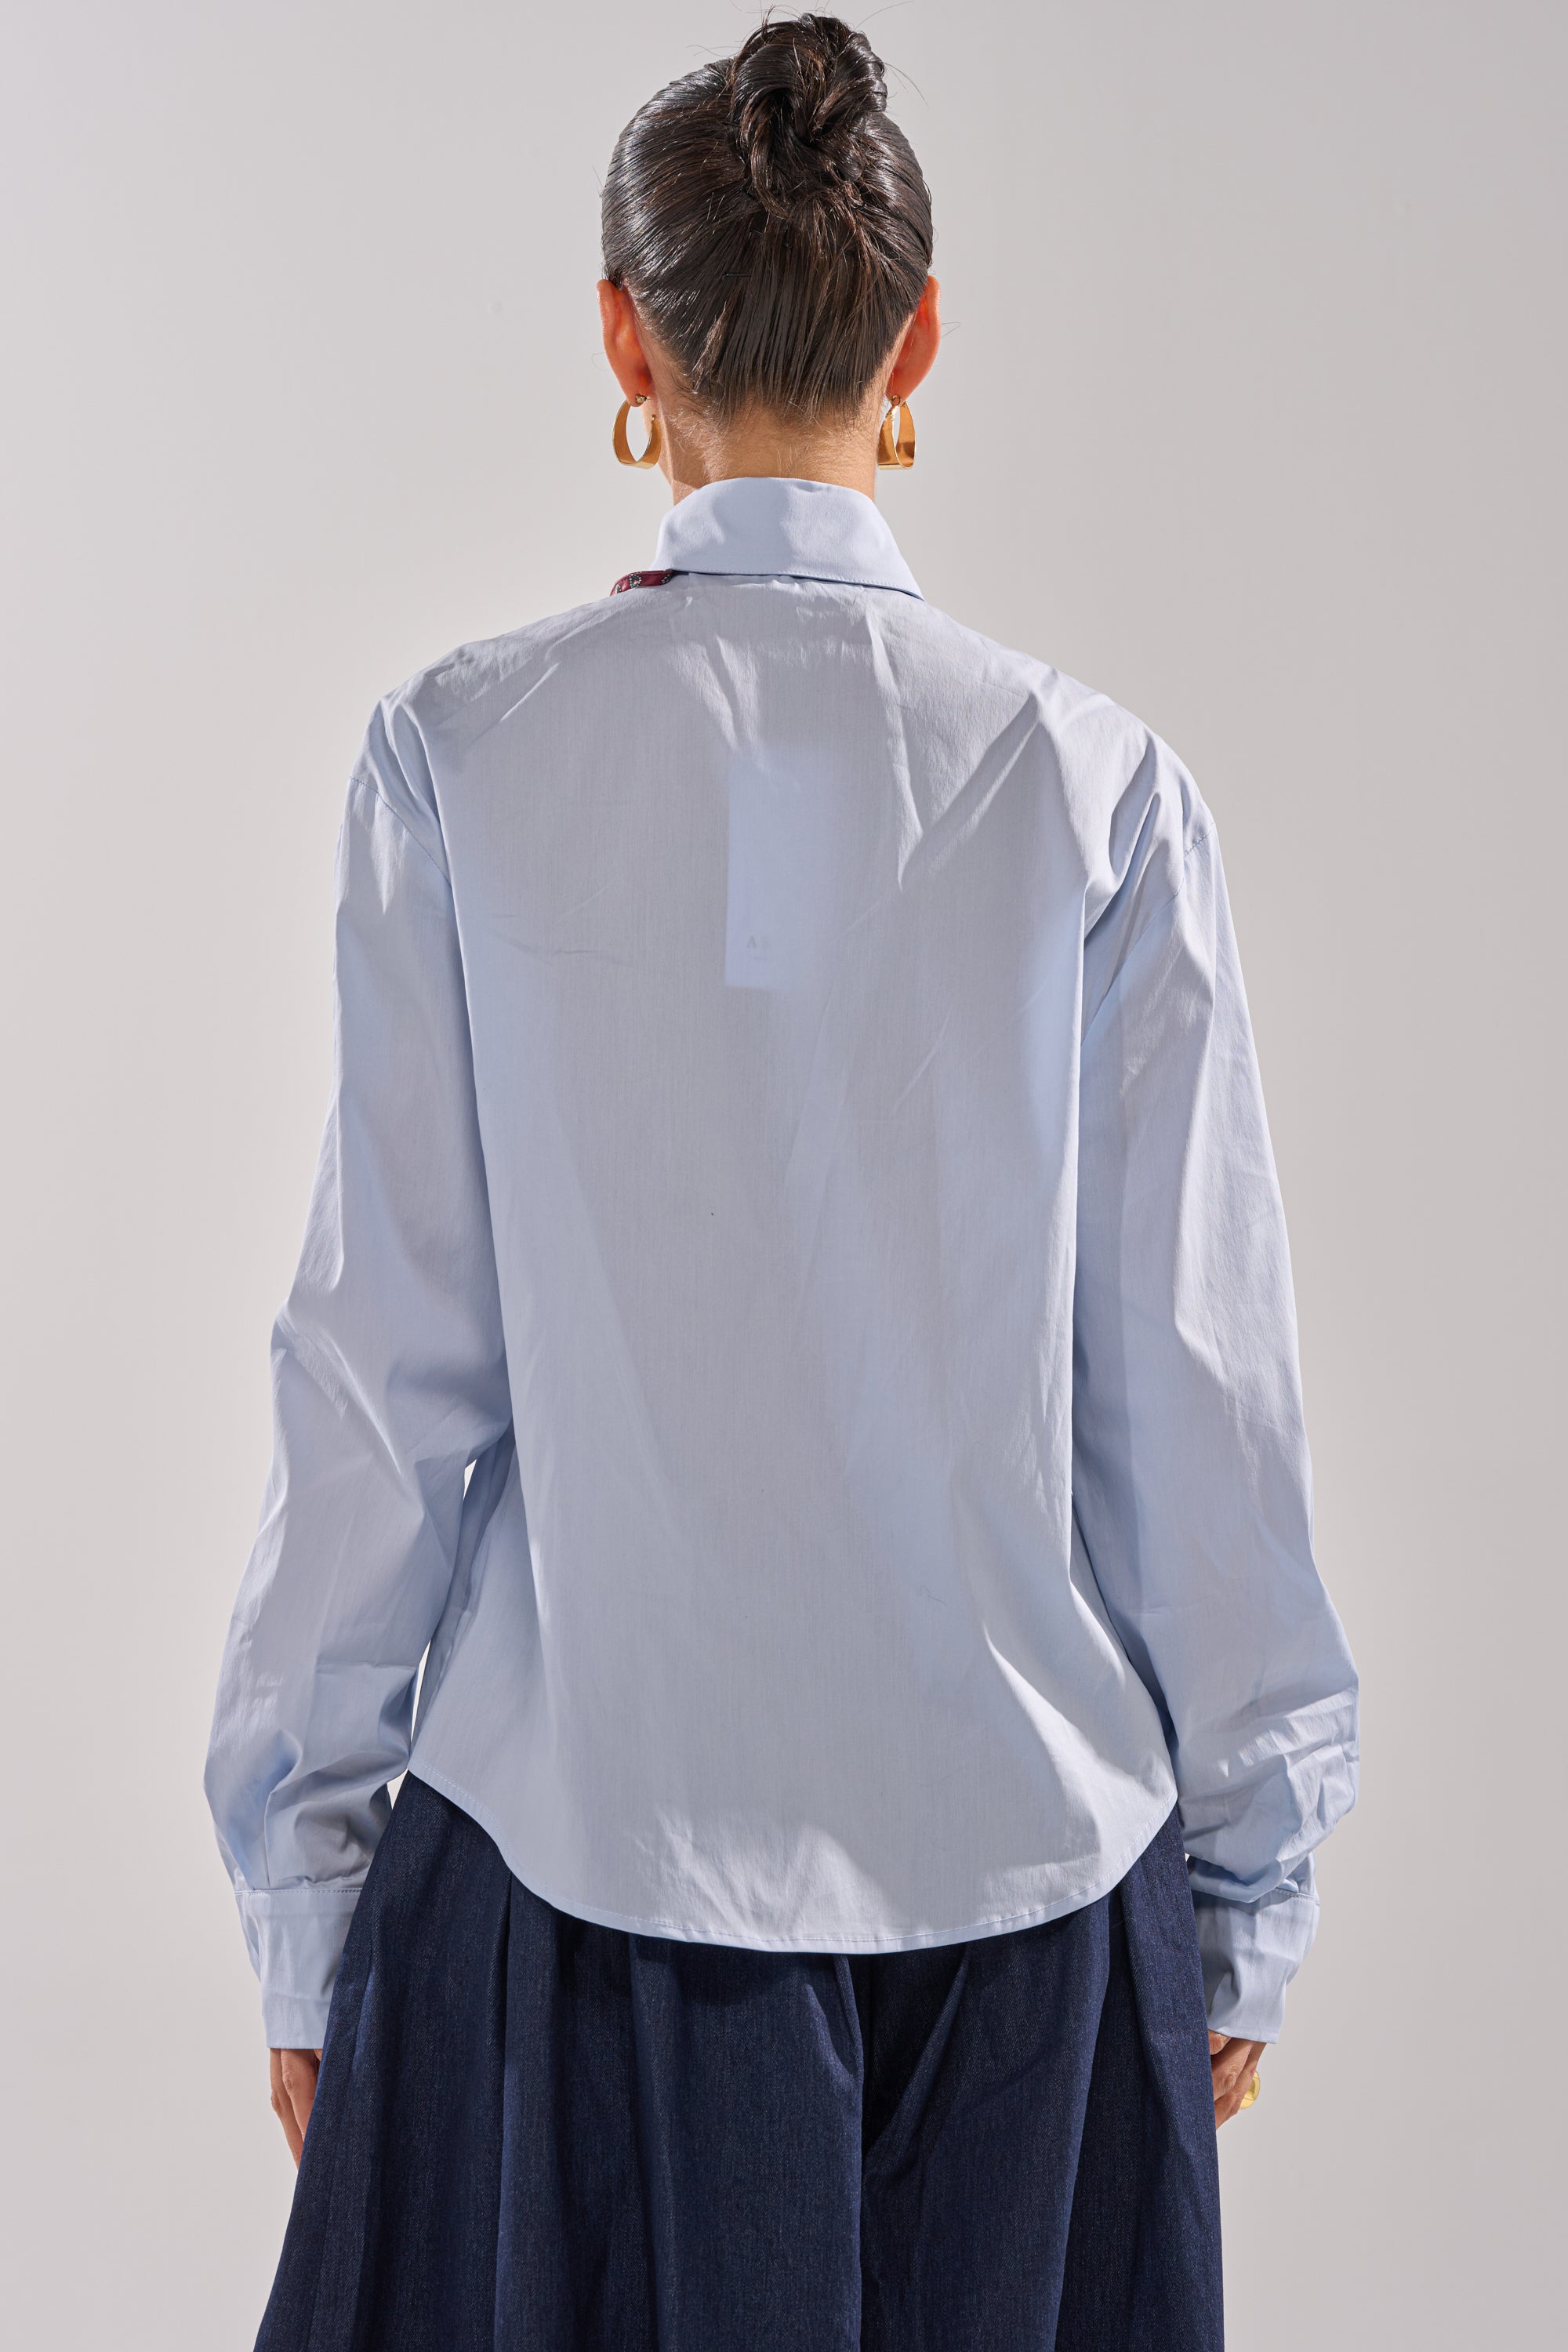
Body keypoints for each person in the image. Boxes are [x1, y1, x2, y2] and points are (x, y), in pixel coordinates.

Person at [205, 15, 1359, 2349]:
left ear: (627, 338)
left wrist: (304, 1881)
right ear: (919, 338)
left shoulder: (462, 758)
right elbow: (1196, 1395)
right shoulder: (1097, 791)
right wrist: (1251, 1874)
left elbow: (383, 1376)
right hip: (1028, 1922)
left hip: (570, 1882)